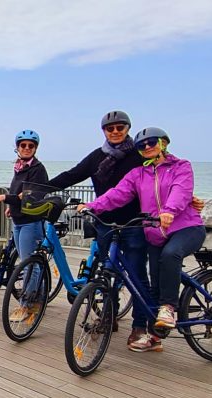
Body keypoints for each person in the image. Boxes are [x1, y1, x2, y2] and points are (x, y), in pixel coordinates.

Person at [81, 127, 205, 351]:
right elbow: (117, 194)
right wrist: (92, 206)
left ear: (163, 143)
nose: (147, 147)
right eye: (142, 145)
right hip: (156, 233)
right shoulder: (138, 174)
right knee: (154, 282)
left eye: (152, 142)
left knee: (170, 255)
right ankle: (155, 337)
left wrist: (169, 210)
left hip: (186, 227)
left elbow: (181, 190)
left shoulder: (181, 166)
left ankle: (168, 307)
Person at [45, 110, 152, 349]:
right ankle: (108, 317)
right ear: (103, 131)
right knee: (108, 273)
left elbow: (161, 176)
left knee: (136, 276)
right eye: (110, 128)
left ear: (127, 129)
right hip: (104, 224)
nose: (115, 132)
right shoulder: (97, 157)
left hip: (134, 224)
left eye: (120, 127)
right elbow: (72, 175)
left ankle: (139, 327)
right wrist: (42, 188)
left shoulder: (139, 155)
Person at [0, 130, 49, 322]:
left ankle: (26, 305)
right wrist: (12, 208)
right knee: (28, 262)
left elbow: (28, 195)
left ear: (35, 148)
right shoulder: (20, 167)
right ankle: (36, 301)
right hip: (19, 219)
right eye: (23, 145)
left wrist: (3, 198)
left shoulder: (38, 169)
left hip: (31, 221)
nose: (26, 148)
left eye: (30, 146)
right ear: (17, 147)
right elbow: (19, 192)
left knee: (29, 264)